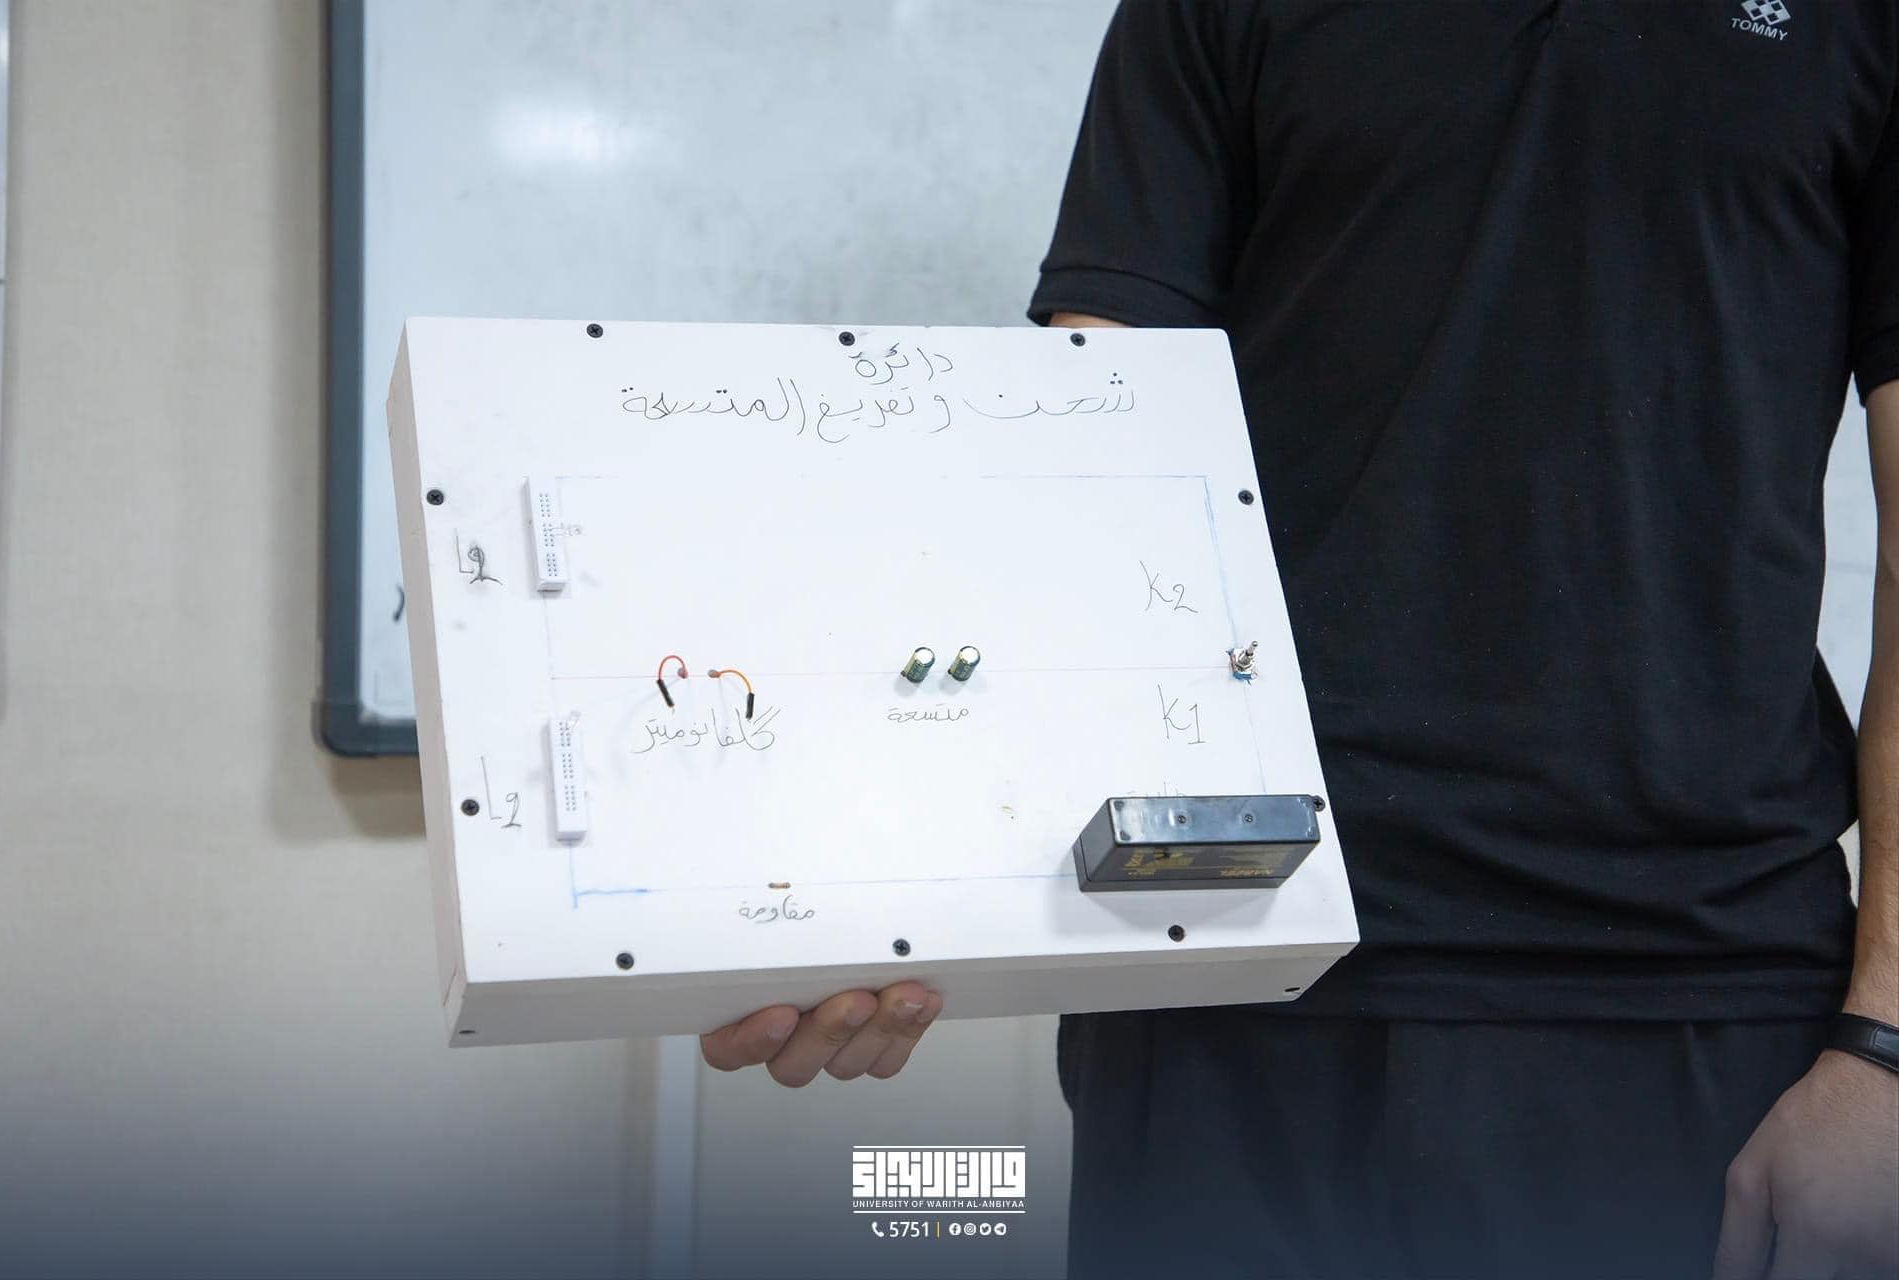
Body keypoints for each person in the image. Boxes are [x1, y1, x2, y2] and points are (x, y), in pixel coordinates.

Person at [700, 2, 1899, 1275]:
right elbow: (1079, 457)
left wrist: (1885, 1046)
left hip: (1695, 991)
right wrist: (872, 868)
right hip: (1227, 955)